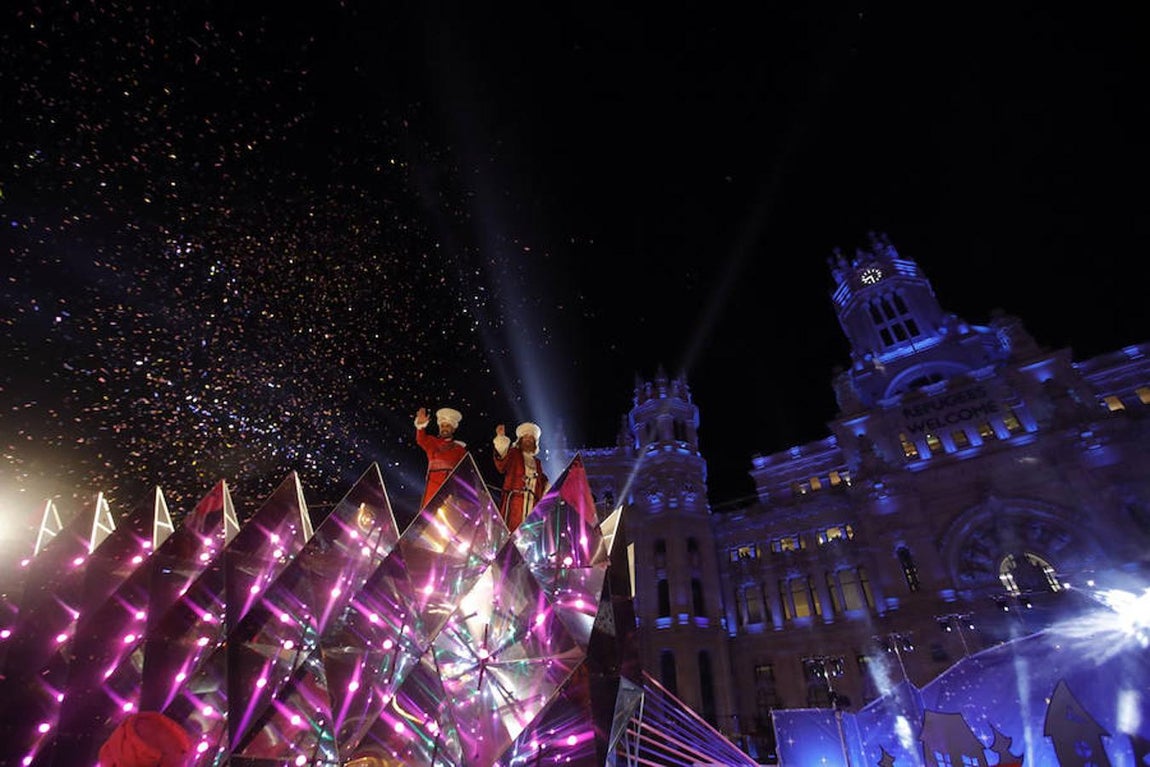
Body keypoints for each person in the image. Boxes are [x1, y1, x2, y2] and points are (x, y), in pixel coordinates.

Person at [493, 421, 549, 532]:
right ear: (520, 440)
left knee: (529, 533)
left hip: (532, 503)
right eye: (525, 437)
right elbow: (502, 461)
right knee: (513, 530)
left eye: (531, 438)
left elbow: (542, 482)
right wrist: (501, 438)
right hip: (515, 502)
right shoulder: (514, 454)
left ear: (535, 442)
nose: (528, 439)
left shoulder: (537, 462)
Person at [414, 406, 468, 510]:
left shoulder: (460, 449)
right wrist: (420, 426)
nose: (444, 428)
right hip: (432, 488)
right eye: (442, 425)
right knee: (427, 517)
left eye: (448, 426)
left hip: (450, 490)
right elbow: (420, 439)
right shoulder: (432, 442)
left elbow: (465, 471)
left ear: (453, 428)